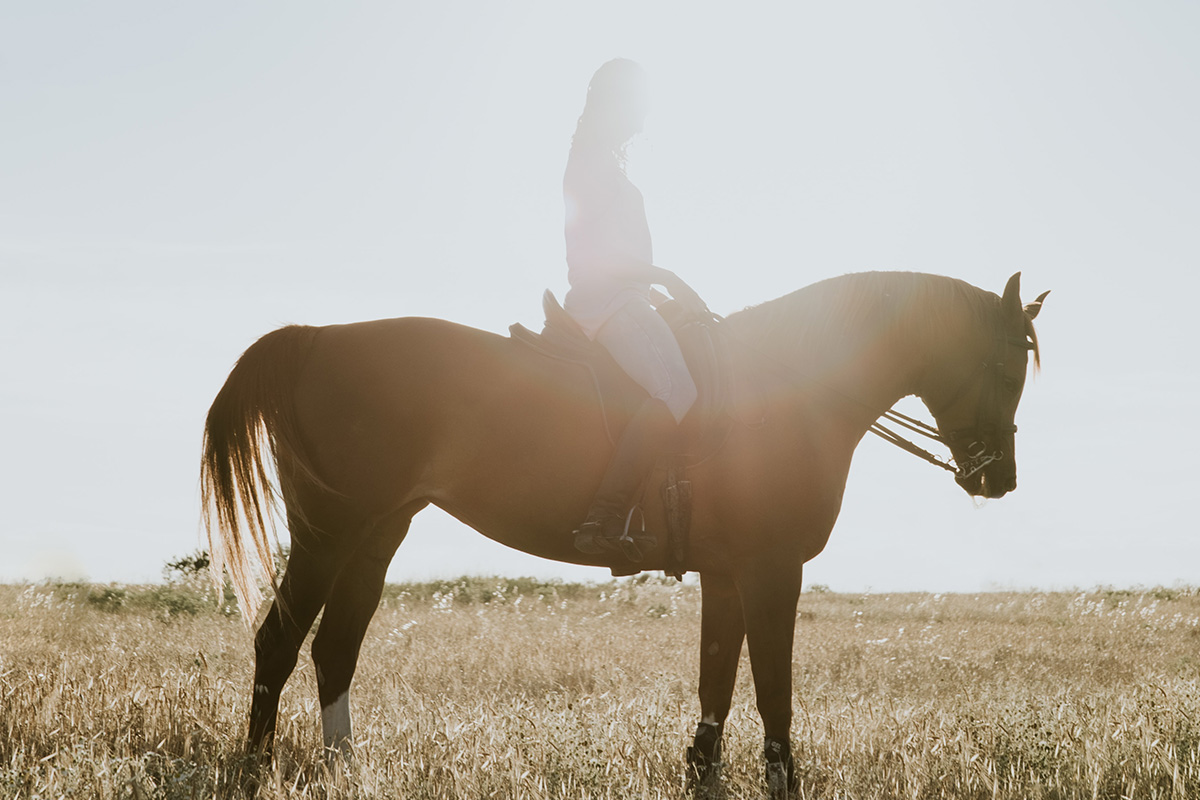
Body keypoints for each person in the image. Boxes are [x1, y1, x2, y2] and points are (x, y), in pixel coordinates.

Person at [563, 58, 708, 560]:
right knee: (678, 389)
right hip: (606, 301)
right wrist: (664, 277)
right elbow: (596, 256)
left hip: (627, 296)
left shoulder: (599, 160)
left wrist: (659, 296)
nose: (645, 114)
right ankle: (603, 518)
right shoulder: (592, 163)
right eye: (638, 101)